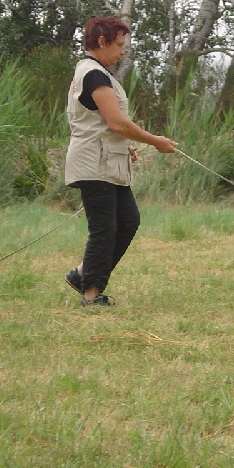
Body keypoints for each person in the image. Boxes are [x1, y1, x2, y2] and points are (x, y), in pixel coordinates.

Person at [64, 16, 178, 306]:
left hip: (109, 161)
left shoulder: (98, 73)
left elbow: (104, 124)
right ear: (101, 42)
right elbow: (117, 123)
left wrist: (126, 146)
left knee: (128, 220)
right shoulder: (93, 74)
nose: (122, 51)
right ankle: (91, 296)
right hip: (94, 163)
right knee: (104, 228)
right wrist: (156, 141)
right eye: (118, 45)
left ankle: (82, 274)